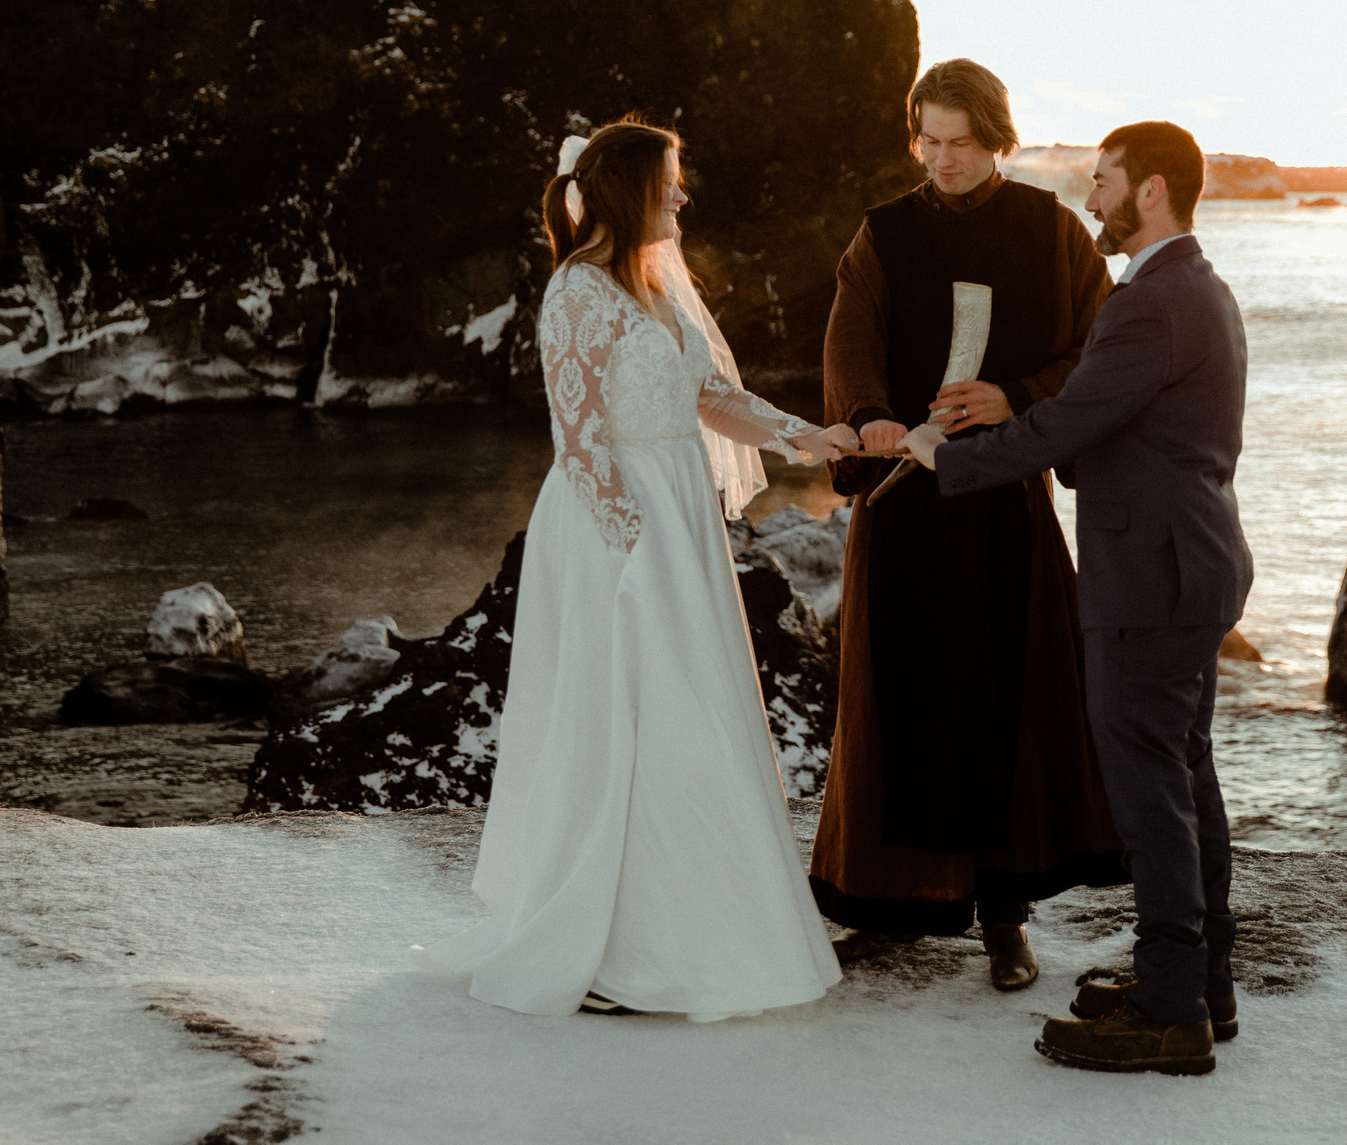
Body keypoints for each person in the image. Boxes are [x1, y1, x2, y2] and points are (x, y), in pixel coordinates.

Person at [418, 119, 859, 1020]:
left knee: (691, 715)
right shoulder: (578, 292)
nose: (685, 195)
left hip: (677, 513)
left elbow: (711, 397)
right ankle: (613, 949)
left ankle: (691, 929)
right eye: (672, 180)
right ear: (630, 188)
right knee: (625, 720)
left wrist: (806, 437)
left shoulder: (657, 285)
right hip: (611, 525)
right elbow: (577, 439)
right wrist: (633, 540)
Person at [903, 120, 1255, 1076]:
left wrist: (948, 457)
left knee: (1152, 791)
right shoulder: (1201, 288)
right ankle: (1202, 981)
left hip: (1147, 575)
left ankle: (1171, 1008)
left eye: (1101, 182)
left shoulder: (1150, 303)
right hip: (1194, 564)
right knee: (1184, 776)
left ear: (1149, 192)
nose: (1088, 198)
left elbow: (1065, 422)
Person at [809, 59, 1128, 992]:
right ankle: (889, 902)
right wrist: (868, 411)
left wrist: (1015, 396)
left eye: (962, 142)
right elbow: (850, 338)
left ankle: (1005, 917)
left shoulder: (1053, 232)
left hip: (1004, 509)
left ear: (998, 141)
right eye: (929, 141)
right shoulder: (884, 234)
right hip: (904, 505)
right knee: (894, 698)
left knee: (1009, 701)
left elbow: (1099, 353)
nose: (942, 159)